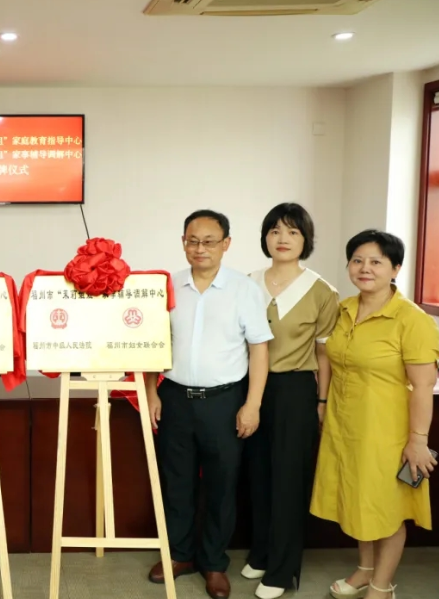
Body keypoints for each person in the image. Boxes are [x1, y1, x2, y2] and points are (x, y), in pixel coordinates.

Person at [145, 209, 273, 599]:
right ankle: (179, 555)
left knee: (222, 485)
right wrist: (151, 392)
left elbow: (259, 350)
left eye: (209, 241)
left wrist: (252, 405)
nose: (200, 248)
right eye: (192, 240)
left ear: (226, 244)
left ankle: (214, 563)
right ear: (183, 242)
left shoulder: (244, 289)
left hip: (224, 401)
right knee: (176, 482)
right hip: (175, 398)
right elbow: (152, 344)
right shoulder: (168, 287)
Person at [311, 230, 438, 599]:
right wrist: (323, 404)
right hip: (345, 424)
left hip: (387, 431)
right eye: (357, 260)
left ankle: (382, 586)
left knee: (386, 509)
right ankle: (365, 570)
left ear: (395, 268)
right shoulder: (344, 309)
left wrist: (418, 441)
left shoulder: (411, 319)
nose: (364, 268)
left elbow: (423, 386)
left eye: (376, 262)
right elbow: (327, 357)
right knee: (357, 500)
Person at [243, 204, 340, 599]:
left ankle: (283, 571)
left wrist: (321, 401)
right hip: (250, 389)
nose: (282, 239)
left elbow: (324, 354)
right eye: (275, 231)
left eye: (293, 232)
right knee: (257, 475)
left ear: (305, 240)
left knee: (288, 480)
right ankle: (262, 553)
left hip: (294, 390)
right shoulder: (247, 283)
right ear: (265, 237)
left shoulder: (321, 291)